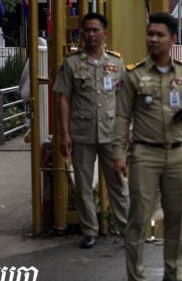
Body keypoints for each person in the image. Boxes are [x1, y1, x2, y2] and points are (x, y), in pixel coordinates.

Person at [112, 12, 182, 281]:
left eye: (159, 35)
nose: (153, 39)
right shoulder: (134, 73)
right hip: (145, 154)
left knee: (176, 217)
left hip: (176, 154)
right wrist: (118, 154)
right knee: (139, 218)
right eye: (150, 34)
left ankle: (173, 277)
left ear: (173, 39)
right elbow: (121, 117)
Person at [52, 12, 129, 249]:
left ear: (105, 34)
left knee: (118, 183)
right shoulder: (72, 63)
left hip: (110, 134)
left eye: (96, 30)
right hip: (82, 133)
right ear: (82, 34)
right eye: (87, 30)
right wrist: (65, 134)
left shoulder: (116, 64)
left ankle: (127, 230)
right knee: (83, 184)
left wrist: (127, 129)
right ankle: (90, 231)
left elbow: (124, 99)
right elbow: (63, 99)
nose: (91, 34)